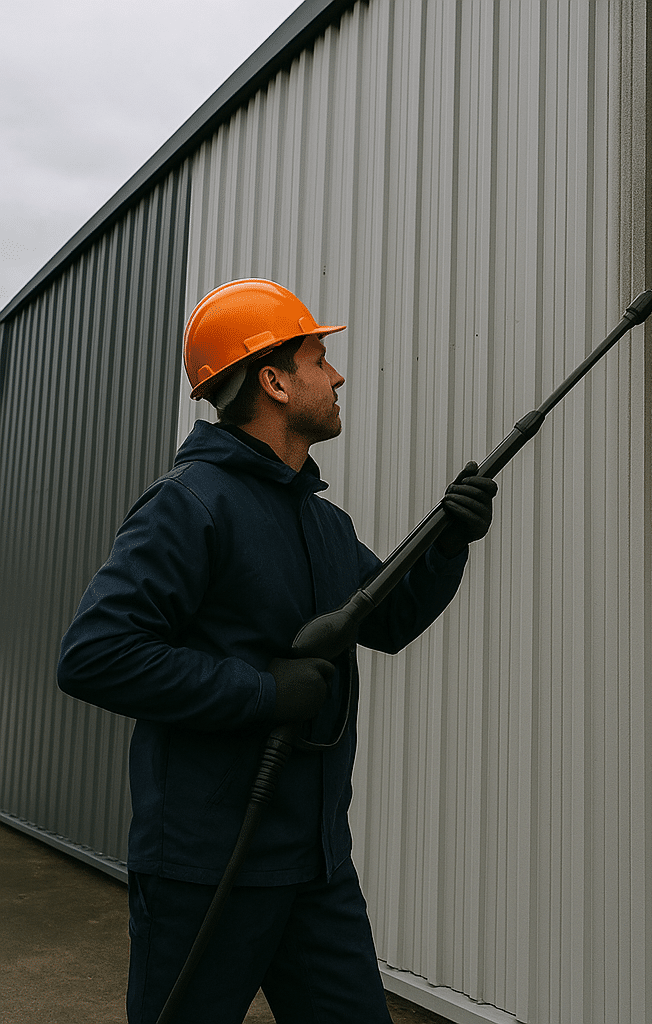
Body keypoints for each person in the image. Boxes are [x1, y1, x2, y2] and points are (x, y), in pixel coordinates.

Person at [57, 279, 497, 1024]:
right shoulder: (190, 505)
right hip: (207, 873)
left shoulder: (322, 523)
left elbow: (386, 623)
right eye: (319, 358)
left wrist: (448, 543)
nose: (337, 375)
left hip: (315, 870)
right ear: (274, 379)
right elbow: (96, 654)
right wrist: (263, 694)